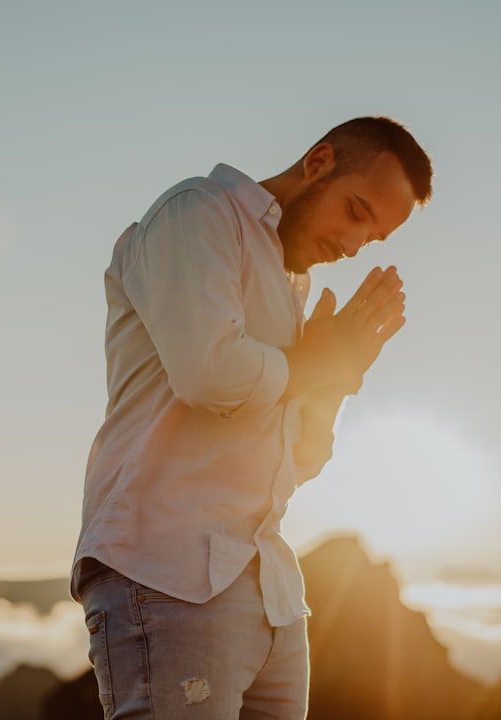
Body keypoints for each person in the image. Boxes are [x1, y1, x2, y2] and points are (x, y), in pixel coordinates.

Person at [71, 116, 433, 719]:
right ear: (318, 163)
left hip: (271, 595)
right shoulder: (198, 213)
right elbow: (208, 373)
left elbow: (299, 462)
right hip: (166, 571)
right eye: (355, 211)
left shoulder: (293, 284)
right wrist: (312, 364)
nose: (352, 244)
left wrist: (338, 377)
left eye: (371, 239)